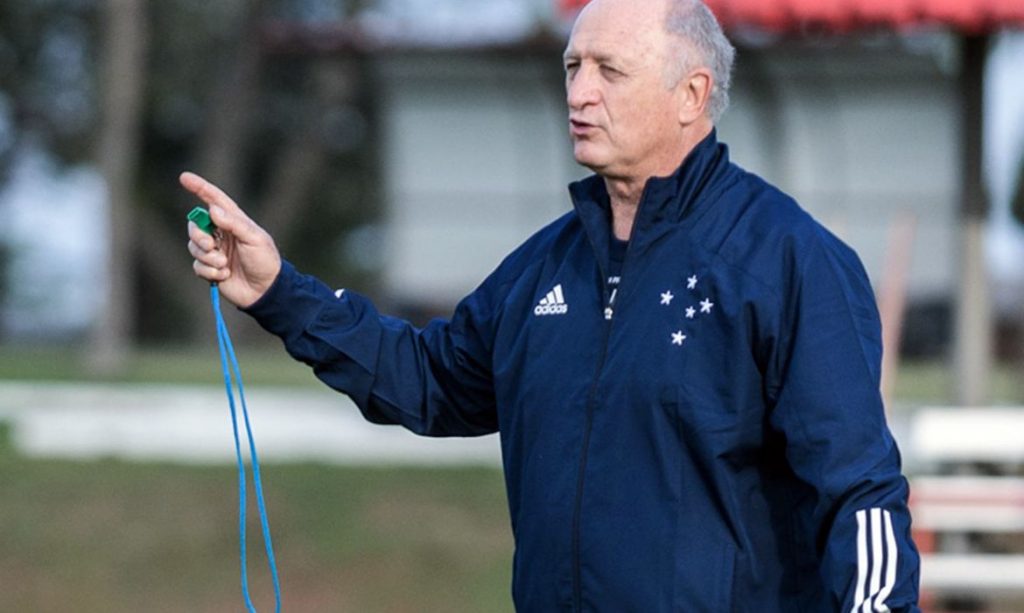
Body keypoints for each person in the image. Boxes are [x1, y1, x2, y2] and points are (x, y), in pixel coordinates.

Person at [184, 0, 921, 610]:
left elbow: (860, 494)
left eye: (609, 70)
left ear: (692, 95)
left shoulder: (788, 261)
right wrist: (280, 293)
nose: (579, 93)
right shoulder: (546, 266)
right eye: (573, 66)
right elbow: (430, 380)